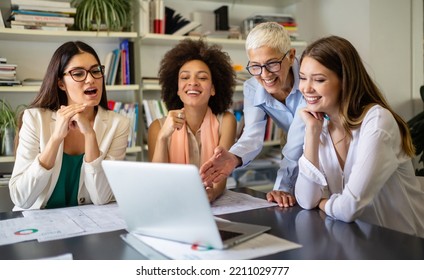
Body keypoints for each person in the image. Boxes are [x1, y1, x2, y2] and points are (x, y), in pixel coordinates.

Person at [295, 35, 424, 237]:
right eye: (302, 77)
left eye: (319, 79)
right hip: (358, 243)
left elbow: (348, 208)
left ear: (345, 81)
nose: (306, 88)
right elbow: (305, 199)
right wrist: (312, 132)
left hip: (402, 248)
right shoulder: (319, 124)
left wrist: (323, 202)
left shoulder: (377, 121)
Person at [9, 41, 130, 210]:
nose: (90, 79)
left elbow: (101, 197)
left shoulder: (119, 124)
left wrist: (90, 135)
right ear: (61, 83)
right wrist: (56, 138)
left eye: (96, 71)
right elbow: (20, 198)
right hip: (37, 225)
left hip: (86, 226)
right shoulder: (34, 119)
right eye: (78, 74)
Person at [200, 22, 305, 207]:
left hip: (328, 141)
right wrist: (233, 158)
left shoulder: (308, 77)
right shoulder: (252, 87)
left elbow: (298, 138)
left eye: (272, 64)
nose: (264, 74)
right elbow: (252, 135)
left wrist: (283, 187)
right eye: (255, 66)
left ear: (291, 55)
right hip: (292, 145)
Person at [147, 39, 237, 202]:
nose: (193, 82)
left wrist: (210, 195)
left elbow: (219, 182)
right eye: (185, 77)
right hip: (172, 203)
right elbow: (156, 183)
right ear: (177, 89)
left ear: (213, 89)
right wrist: (162, 137)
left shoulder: (226, 122)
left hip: (213, 205)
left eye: (202, 78)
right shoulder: (157, 127)